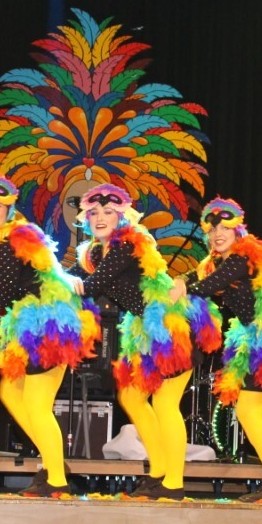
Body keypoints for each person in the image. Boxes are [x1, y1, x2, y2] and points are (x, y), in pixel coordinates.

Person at [0, 172, 100, 498]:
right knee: (10, 392)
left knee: (36, 404)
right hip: (30, 323)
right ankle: (53, 464)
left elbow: (2, 296)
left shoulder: (10, 241)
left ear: (9, 208)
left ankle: (56, 480)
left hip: (49, 324)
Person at [69, 183, 221, 500]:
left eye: (108, 212)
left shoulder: (127, 245)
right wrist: (43, 275)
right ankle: (159, 471)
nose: (100, 218)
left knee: (165, 403)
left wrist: (64, 281)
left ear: (122, 217)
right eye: (94, 213)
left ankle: (173, 482)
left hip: (171, 326)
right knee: (131, 397)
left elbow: (91, 285)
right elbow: (73, 274)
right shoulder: (95, 252)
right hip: (145, 331)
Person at [172, 197, 262, 503]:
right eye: (212, 230)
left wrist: (185, 288)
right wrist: (180, 279)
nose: (218, 234)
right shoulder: (217, 261)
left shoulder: (243, 257)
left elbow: (210, 284)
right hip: (258, 337)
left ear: (238, 229)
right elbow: (199, 276)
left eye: (225, 227)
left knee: (249, 411)